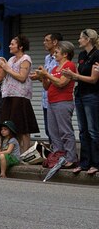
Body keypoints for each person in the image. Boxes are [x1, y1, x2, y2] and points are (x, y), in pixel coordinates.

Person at [36, 41, 77, 169]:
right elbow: (47, 86)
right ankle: (59, 155)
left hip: (63, 102)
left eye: (57, 52)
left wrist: (47, 74)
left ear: (65, 54)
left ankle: (71, 158)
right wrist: (43, 77)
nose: (54, 55)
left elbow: (61, 83)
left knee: (65, 131)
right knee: (53, 132)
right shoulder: (55, 68)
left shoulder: (69, 66)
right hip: (52, 102)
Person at [0, 35, 38, 154]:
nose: (10, 46)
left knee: (22, 126)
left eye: (13, 44)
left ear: (20, 46)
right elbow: (5, 77)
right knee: (10, 126)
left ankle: (25, 153)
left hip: (20, 96)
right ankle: (16, 152)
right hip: (8, 95)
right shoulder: (11, 59)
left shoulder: (25, 59)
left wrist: (7, 68)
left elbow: (22, 77)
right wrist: (2, 66)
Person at [66, 29, 99, 176]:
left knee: (93, 130)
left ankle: (96, 163)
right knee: (83, 130)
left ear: (88, 40)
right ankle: (84, 163)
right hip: (80, 95)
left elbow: (93, 79)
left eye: (81, 38)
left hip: (91, 96)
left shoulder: (97, 55)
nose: (79, 40)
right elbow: (80, 76)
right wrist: (71, 76)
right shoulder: (82, 55)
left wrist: (75, 76)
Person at [37, 32, 62, 142]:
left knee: (58, 130)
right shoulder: (47, 58)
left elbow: (58, 78)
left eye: (47, 40)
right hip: (46, 98)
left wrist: (45, 75)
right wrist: (39, 76)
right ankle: (54, 154)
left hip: (56, 98)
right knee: (48, 130)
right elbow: (46, 77)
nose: (44, 43)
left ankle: (61, 154)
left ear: (55, 42)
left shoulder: (60, 59)